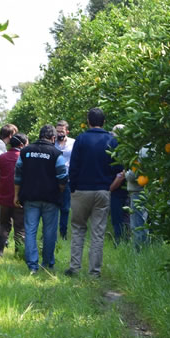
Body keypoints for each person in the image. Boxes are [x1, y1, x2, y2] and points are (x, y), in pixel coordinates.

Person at [66, 108, 122, 278]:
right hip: (102, 191)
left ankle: (75, 268)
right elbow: (119, 169)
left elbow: (73, 167)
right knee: (98, 233)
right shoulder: (111, 141)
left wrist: (73, 188)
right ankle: (94, 272)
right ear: (104, 122)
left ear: (88, 121)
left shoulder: (81, 139)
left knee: (78, 229)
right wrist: (109, 187)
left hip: (81, 190)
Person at [14, 125, 68, 274]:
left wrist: (16, 195)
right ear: (52, 138)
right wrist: (60, 189)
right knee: (49, 231)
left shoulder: (25, 152)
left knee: (30, 231)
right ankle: (48, 264)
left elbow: (18, 174)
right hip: (51, 198)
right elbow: (63, 175)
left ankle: (32, 266)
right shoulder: (56, 153)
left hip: (30, 197)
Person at [0, 133, 28, 257]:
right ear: (21, 145)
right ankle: (18, 254)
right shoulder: (23, 158)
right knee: (20, 227)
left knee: (4, 224)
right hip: (18, 197)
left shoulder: (2, 157)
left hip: (3, 196)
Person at [125, 145, 150, 251]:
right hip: (150, 190)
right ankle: (147, 249)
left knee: (138, 224)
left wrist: (125, 173)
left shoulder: (144, 150)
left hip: (138, 191)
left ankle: (140, 251)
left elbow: (132, 175)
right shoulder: (156, 149)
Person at [54, 120, 75, 240]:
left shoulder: (73, 143)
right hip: (54, 178)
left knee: (65, 208)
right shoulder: (52, 142)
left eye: (61, 131)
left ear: (67, 131)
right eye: (57, 131)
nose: (59, 133)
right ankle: (51, 232)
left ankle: (63, 233)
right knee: (52, 206)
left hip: (67, 178)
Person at [109, 124, 129, 246]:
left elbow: (122, 173)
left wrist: (111, 187)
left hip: (119, 190)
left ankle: (120, 242)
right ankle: (122, 242)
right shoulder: (127, 148)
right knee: (123, 219)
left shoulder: (119, 150)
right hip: (126, 188)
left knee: (119, 220)